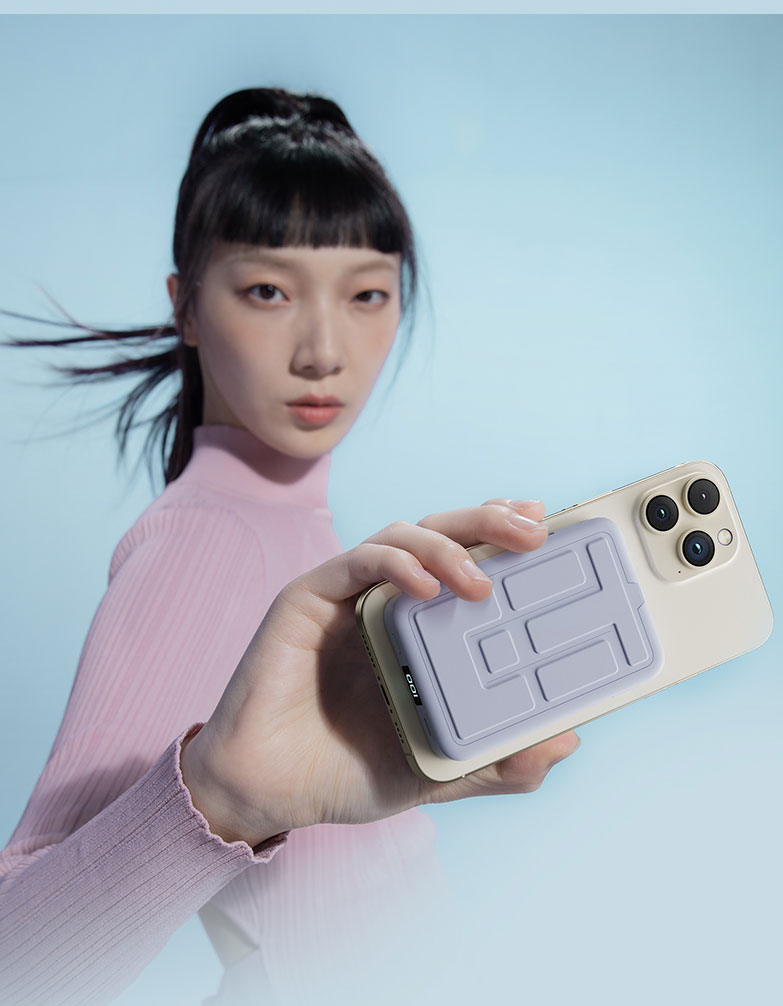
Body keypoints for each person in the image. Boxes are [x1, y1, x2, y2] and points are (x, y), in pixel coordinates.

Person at [0, 87, 580, 1006]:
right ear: (187, 308)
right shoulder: (205, 546)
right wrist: (218, 798)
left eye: (367, 295)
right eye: (268, 291)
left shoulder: (292, 537)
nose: (324, 351)